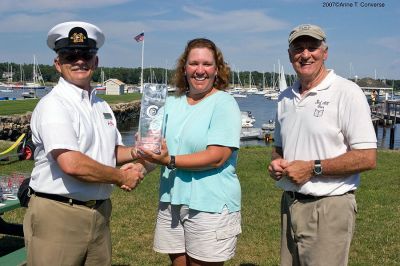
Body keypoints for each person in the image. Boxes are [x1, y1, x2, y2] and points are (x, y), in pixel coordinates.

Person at [23, 21, 146, 266]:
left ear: (96, 61)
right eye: (70, 56)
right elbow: (72, 163)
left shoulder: (100, 105)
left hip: (99, 213)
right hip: (59, 215)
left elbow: (108, 151)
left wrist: (137, 151)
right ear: (58, 64)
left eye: (86, 54)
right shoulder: (54, 105)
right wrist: (120, 177)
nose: (79, 61)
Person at [268, 24, 377, 266]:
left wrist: (312, 168)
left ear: (325, 52)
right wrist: (276, 161)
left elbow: (367, 157)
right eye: (298, 48)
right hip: (290, 203)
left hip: (329, 207)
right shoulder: (285, 97)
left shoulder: (347, 92)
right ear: (289, 55)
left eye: (312, 47)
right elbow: (279, 146)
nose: (305, 54)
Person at [138, 38, 242, 266]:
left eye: (207, 64)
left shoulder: (224, 103)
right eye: (194, 63)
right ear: (184, 68)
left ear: (217, 69)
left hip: (209, 205)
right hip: (171, 199)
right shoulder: (172, 103)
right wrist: (137, 168)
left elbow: (217, 157)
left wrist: (171, 160)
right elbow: (158, 152)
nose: (200, 70)